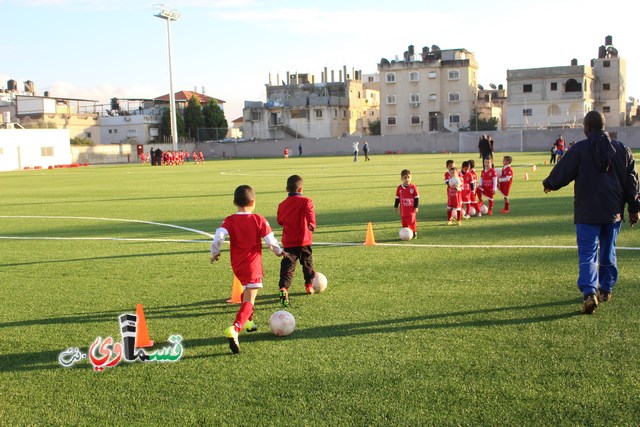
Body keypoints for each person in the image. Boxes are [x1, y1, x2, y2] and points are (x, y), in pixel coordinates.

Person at [543, 111, 640, 314]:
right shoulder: (622, 149)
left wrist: (550, 183)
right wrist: (634, 208)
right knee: (608, 251)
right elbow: (632, 180)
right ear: (604, 127)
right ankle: (606, 289)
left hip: (587, 212)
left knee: (588, 253)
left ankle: (589, 292)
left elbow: (564, 170)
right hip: (613, 211)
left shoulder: (579, 148)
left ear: (587, 127)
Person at [210, 185, 286, 354]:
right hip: (252, 265)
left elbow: (218, 237)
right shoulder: (258, 219)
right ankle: (235, 329)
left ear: (234, 202)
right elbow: (270, 241)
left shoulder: (229, 220)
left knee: (247, 291)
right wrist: (279, 252)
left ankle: (249, 323)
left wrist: (215, 253)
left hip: (237, 265)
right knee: (249, 301)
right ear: (253, 202)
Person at [277, 175, 317, 306]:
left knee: (288, 267)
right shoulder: (306, 201)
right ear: (301, 189)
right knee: (307, 264)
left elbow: (280, 221)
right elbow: (310, 213)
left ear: (286, 189)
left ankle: (284, 288)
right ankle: (309, 286)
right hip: (304, 241)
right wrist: (311, 224)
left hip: (289, 241)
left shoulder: (282, 205)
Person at [394, 169, 419, 239]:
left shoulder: (413, 187)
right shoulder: (399, 188)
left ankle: (414, 232)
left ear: (411, 177)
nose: (407, 179)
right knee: (404, 222)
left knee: (412, 221)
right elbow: (397, 198)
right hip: (403, 210)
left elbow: (416, 197)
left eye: (408, 177)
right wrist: (395, 207)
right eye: (405, 178)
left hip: (411, 210)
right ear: (401, 178)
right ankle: (405, 234)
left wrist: (416, 207)